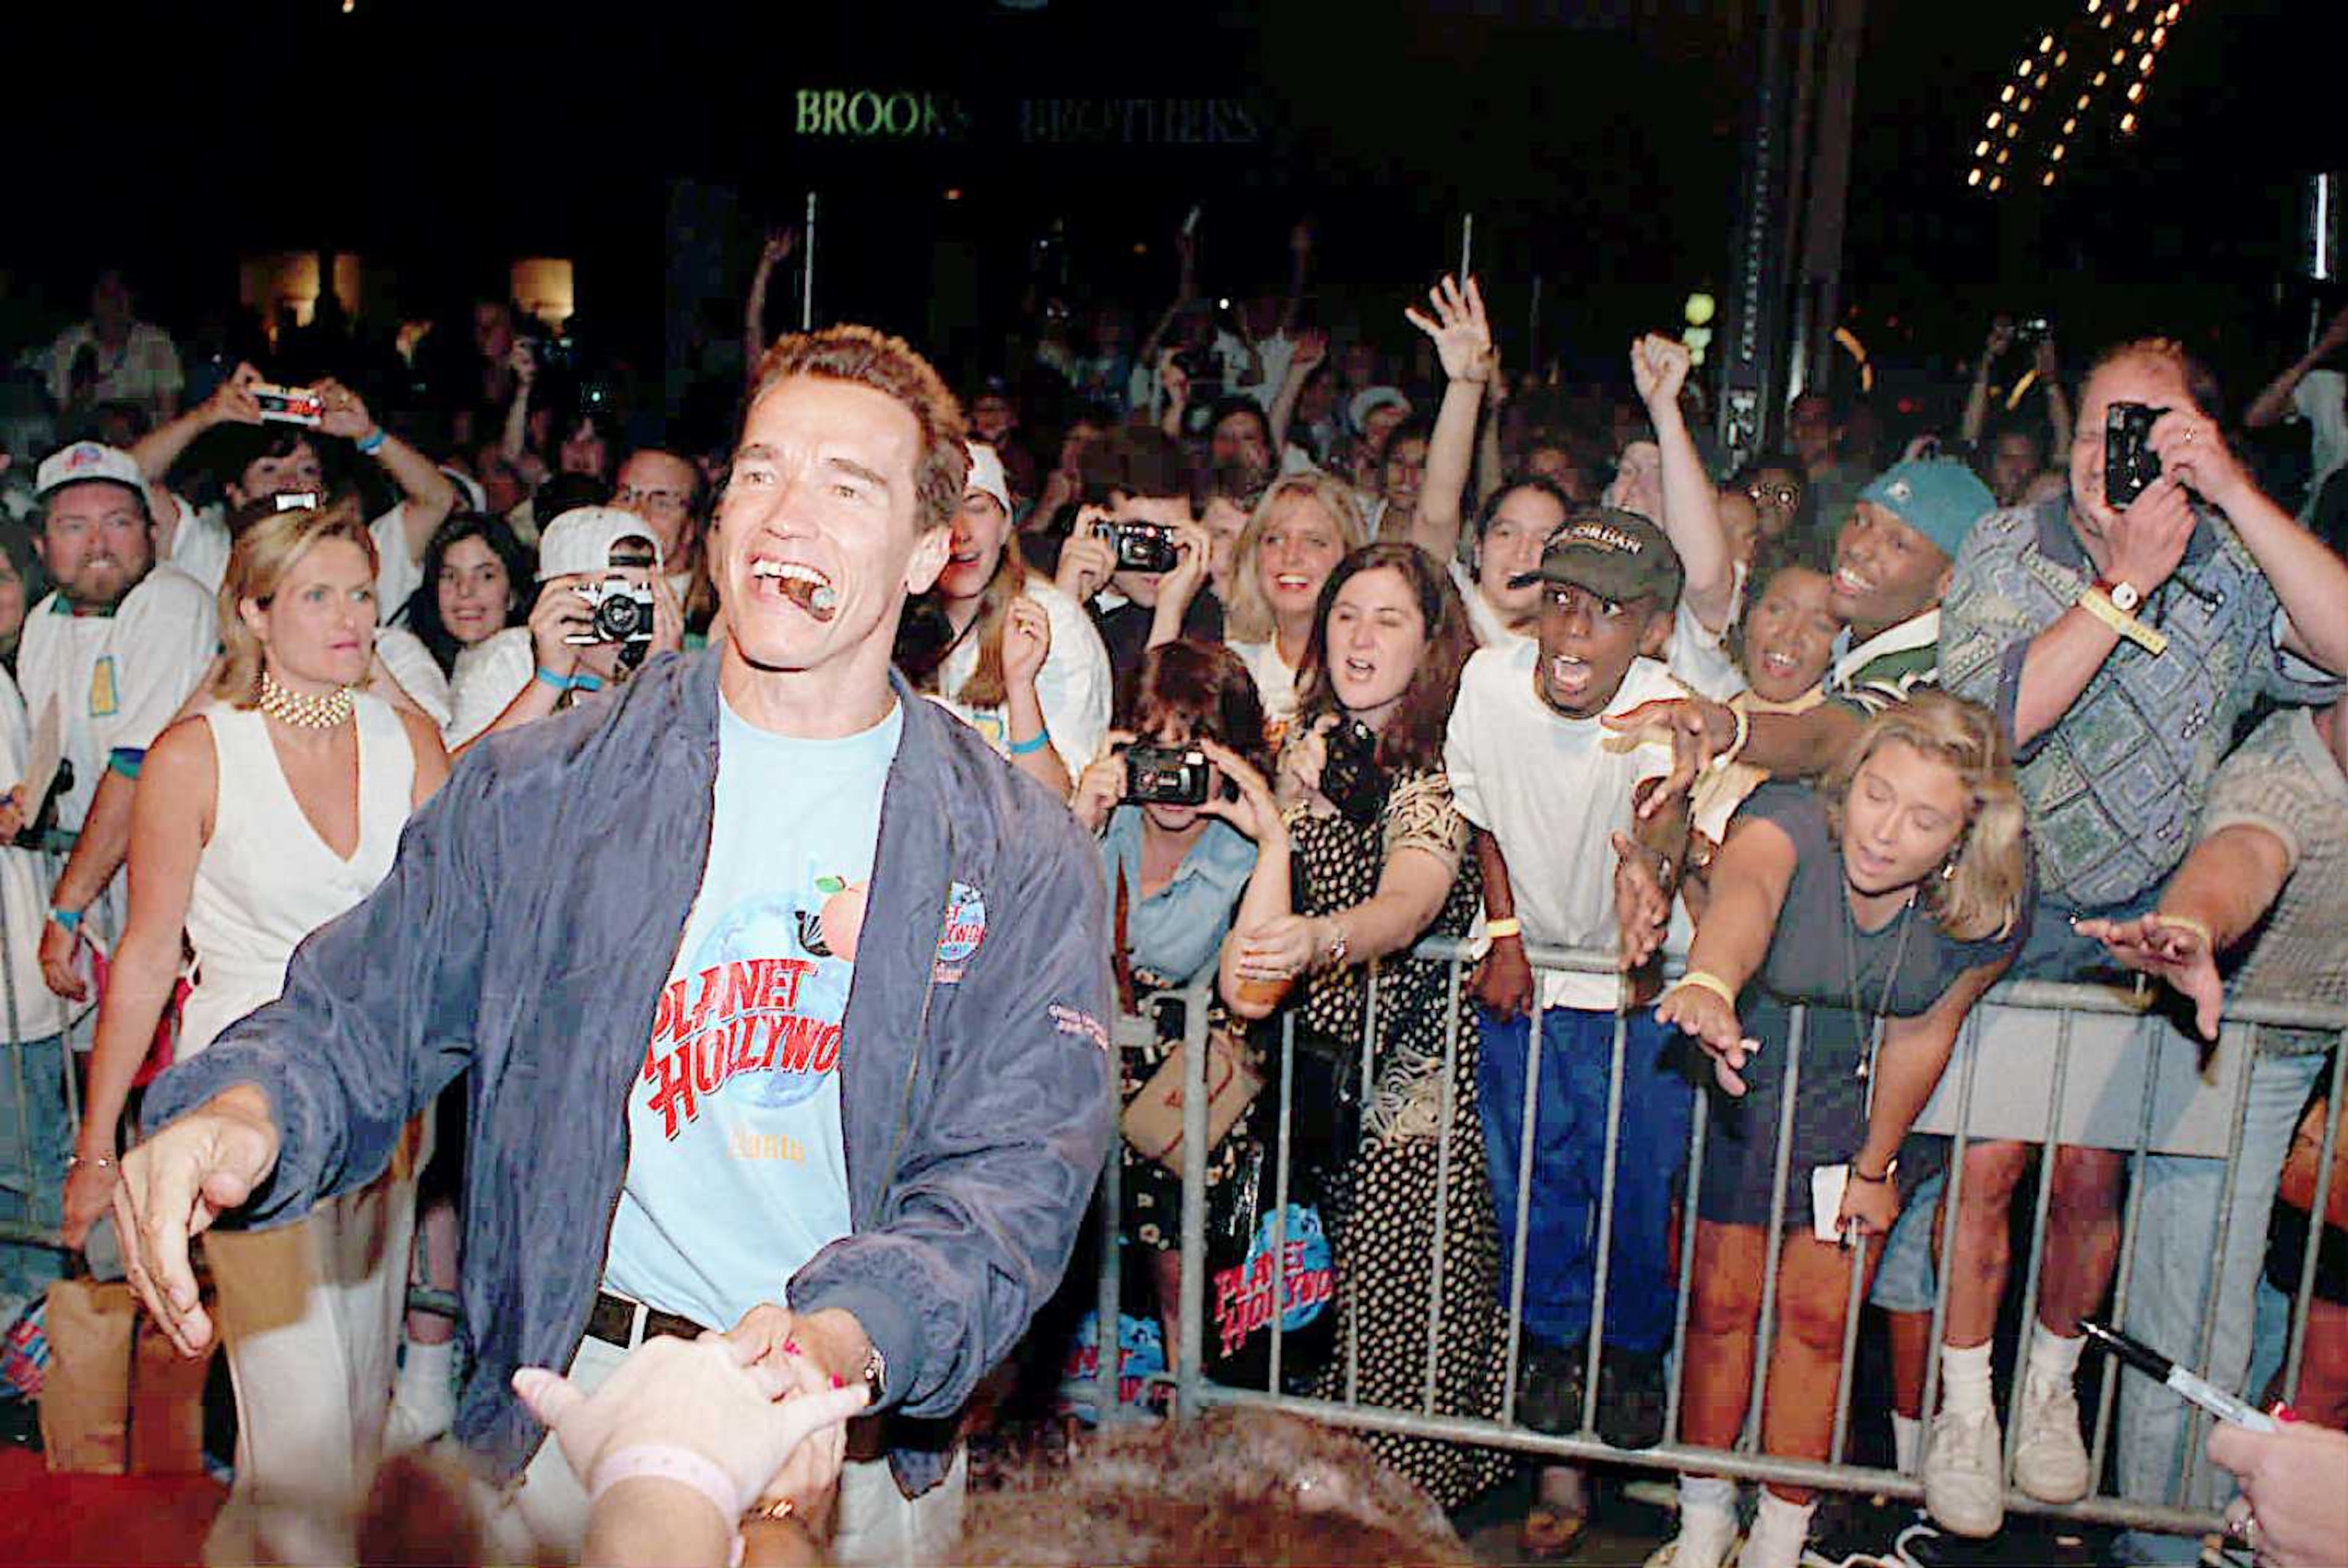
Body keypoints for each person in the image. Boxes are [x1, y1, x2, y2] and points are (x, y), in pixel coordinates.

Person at [113, 324, 1117, 1567]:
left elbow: (1015, 1178)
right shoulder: (547, 788)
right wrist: (241, 1111)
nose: (787, 516)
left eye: (847, 487)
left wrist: (841, 1338)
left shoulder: (1012, 845)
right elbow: (361, 1010)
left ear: (929, 549)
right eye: (762, 471)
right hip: (574, 1411)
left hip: (847, 1433)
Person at [1919, 337, 2348, 1537]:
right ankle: (1967, 1404)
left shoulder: (2230, 565)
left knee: (2089, 1178)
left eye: (2152, 429)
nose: (2116, 451)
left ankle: (2051, 1383)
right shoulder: (2012, 542)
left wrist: (2240, 497)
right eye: (2104, 420)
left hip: (2141, 922)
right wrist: (2121, 588)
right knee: (1991, 1168)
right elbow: (1988, 721)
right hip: (2008, 905)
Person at [61, 499, 449, 1561]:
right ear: (254, 613)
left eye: (361, 594)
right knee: (300, 1429)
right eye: (316, 595)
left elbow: (449, 930)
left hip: (379, 1098)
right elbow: (146, 958)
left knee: (358, 1413)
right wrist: (98, 1149)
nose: (350, 617)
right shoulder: (196, 754)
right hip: (242, 1111)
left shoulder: (409, 740)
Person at [1641, 693, 2028, 1568]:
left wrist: (1874, 1166)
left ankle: (1780, 1543)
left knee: (1819, 1319)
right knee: (1720, 1306)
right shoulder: (1787, 816)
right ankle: (1702, 1529)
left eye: (1923, 819)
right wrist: (1709, 981)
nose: (1885, 833)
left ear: (1963, 838)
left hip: (1871, 1090)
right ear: (1848, 786)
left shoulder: (1992, 899)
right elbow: (1744, 894)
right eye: (1876, 796)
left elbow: (1926, 1030)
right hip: (1753, 1060)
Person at [1220, 542, 1512, 1511]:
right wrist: (1287, 804)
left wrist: (1322, 939)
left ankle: (1400, 1521)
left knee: (1399, 1315)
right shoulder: (1307, 740)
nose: (1360, 637)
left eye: (1389, 619)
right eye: (1347, 613)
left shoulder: (1439, 766)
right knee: (1307, 1304)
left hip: (1412, 1091)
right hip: (1312, 1077)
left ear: (1432, 642)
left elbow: (1410, 901)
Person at [1443, 509, 1699, 1454]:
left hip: (1632, 987)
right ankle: (1550, 1345)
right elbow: (1483, 813)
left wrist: (1651, 883)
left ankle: (1631, 1354)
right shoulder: (1489, 682)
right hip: (1531, 977)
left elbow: (1664, 818)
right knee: (1532, 1175)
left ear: (1653, 630)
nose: (1574, 630)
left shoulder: (1666, 708)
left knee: (1636, 1182)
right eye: (1558, 601)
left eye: (1607, 611)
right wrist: (1505, 931)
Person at [2072, 686, 2347, 1562]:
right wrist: (2190, 928)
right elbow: (2243, 853)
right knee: (2194, 1335)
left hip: (2324, 1065)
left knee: (2283, 1336)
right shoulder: (2282, 779)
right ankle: (2163, 1548)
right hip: (2236, 1060)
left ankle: (2257, 1530)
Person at [1069, 639, 1278, 1352]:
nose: (1170, 778)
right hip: (1085, 1085)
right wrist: (1079, 818)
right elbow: (1034, 932)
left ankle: (1187, 1406)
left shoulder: (1240, 854)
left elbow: (1255, 987)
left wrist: (1273, 840)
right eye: (1155, 751)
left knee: (1179, 1284)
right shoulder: (1109, 824)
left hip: (1179, 1105)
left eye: (1194, 753)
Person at [20, 443, 219, 996]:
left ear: (151, 533)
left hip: (189, 914)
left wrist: (66, 908)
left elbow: (136, 768)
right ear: (41, 544)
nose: (98, 545)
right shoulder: (44, 622)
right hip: (105, 908)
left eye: (118, 523)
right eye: (74, 527)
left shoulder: (171, 603)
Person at [127, 362, 459, 613]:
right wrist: (206, 415)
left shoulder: (356, 556)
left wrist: (368, 434)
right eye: (269, 469)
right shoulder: (205, 551)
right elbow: (125, 477)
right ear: (235, 493)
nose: (290, 482)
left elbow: (437, 499)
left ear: (323, 494)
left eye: (307, 470)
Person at [909, 441, 1108, 793]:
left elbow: (1053, 803)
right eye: (944, 511)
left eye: (976, 507)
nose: (961, 532)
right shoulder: (895, 622)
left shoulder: (1054, 625)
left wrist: (1020, 687)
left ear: (1005, 526)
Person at [458, 507, 686, 751]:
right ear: (554, 597)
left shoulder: (679, 678)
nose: (623, 616)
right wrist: (549, 682)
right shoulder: (505, 662)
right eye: (610, 598)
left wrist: (657, 687)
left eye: (639, 597)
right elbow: (456, 773)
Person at [1221, 473, 1370, 729]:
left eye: (1314, 542)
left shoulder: (1370, 673)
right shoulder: (1230, 668)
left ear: (1350, 557)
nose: (1291, 556)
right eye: (1275, 540)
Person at [393, 511, 538, 747]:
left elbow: (456, 763)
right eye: (450, 576)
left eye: (486, 576)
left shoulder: (512, 656)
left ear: (512, 593)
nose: (465, 591)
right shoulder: (456, 659)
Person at [45, 270, 183, 429]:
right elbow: (64, 417)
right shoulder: (68, 345)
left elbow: (167, 416)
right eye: (105, 294)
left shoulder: (157, 343)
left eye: (119, 296)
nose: (111, 304)